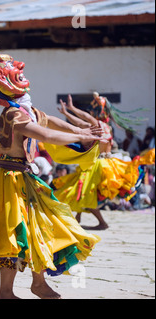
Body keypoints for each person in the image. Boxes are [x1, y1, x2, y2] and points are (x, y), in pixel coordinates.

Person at [0, 45, 101, 299]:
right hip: (9, 181)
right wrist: (81, 134)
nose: (20, 71)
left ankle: (37, 283)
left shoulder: (24, 109)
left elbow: (48, 121)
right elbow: (46, 133)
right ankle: (7, 291)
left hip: (24, 177)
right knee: (14, 234)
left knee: (39, 227)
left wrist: (78, 133)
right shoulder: (14, 114)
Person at [52, 93, 154, 229]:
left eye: (92, 109)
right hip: (105, 163)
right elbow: (81, 123)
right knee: (81, 191)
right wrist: (68, 112)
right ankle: (78, 218)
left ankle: (101, 223)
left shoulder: (98, 125)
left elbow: (83, 121)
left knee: (84, 193)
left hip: (98, 165)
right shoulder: (106, 127)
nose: (89, 112)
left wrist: (71, 108)